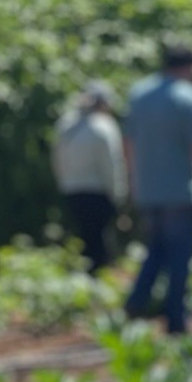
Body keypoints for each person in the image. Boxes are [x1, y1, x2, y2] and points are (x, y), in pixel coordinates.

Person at [122, 45, 192, 334]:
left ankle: (136, 304)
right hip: (182, 192)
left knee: (155, 251)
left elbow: (128, 144)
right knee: (181, 257)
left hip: (149, 191)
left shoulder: (139, 95)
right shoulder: (188, 97)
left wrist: (133, 182)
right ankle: (176, 319)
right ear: (189, 67)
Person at [51, 82, 127, 271]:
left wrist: (64, 183)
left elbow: (57, 159)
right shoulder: (104, 126)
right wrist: (118, 194)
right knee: (100, 243)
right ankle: (99, 283)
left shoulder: (65, 125)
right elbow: (111, 164)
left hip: (71, 190)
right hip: (98, 191)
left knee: (84, 238)